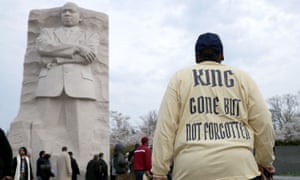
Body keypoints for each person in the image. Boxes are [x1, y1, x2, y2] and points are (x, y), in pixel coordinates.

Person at [151, 32, 276, 180]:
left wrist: (160, 171)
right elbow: (264, 123)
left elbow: (165, 127)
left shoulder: (179, 78)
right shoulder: (243, 78)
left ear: (196, 56)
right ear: (222, 55)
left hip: (191, 169)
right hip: (240, 167)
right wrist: (264, 161)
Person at [35, 2, 101, 152]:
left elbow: (89, 58)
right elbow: (43, 48)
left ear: (80, 17)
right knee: (43, 130)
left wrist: (59, 59)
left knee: (81, 132)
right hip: (49, 84)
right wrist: (77, 48)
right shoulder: (47, 32)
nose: (67, 14)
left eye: (71, 11)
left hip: (80, 86)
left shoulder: (90, 35)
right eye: (64, 12)